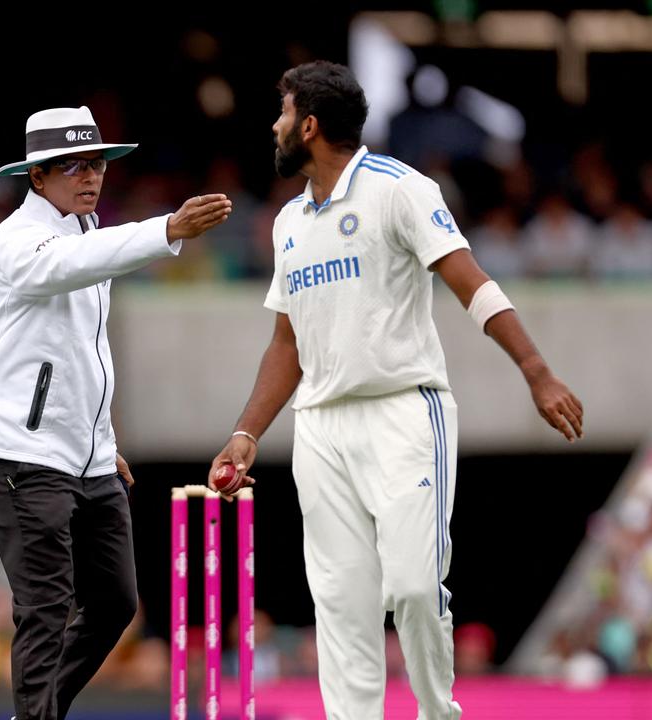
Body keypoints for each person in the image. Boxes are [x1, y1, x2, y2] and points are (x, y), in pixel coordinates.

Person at [209, 62, 583, 719]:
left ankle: (437, 712)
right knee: (343, 607)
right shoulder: (289, 222)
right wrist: (246, 434)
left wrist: (536, 369)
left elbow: (472, 282)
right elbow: (286, 344)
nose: (275, 125)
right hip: (321, 430)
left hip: (404, 412)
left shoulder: (400, 190)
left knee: (413, 587)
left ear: (311, 125)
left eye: (283, 112)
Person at [0, 106, 231, 720]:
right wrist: (166, 229)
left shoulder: (87, 232)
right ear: (37, 176)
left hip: (84, 456)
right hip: (20, 455)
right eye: (74, 166)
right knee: (46, 607)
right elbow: (67, 267)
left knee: (114, 602)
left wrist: (101, 438)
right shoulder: (19, 237)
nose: (92, 176)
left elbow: (84, 356)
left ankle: (38, 711)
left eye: (98, 163)